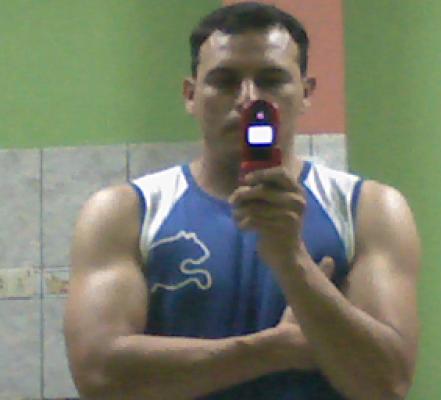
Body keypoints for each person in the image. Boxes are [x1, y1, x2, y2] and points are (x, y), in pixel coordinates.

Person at [64, 2, 421, 399]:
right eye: (224, 81)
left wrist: (292, 262)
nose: (249, 99)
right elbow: (99, 377)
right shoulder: (125, 213)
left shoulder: (368, 209)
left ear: (305, 94)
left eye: (271, 80)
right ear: (191, 95)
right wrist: (275, 348)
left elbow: (386, 384)